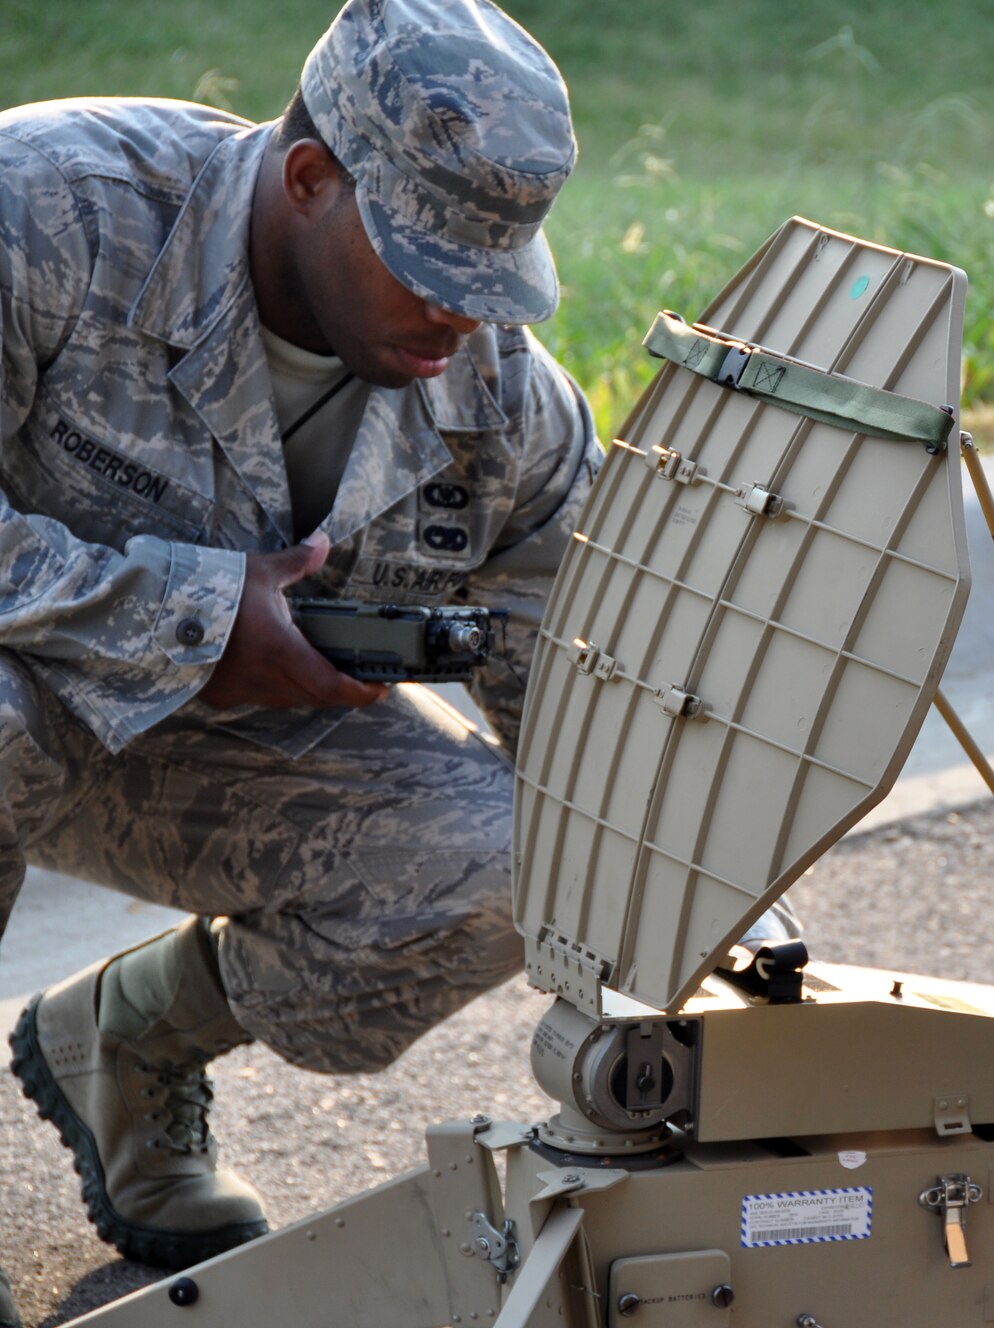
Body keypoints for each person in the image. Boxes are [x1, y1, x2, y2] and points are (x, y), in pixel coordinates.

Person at [0, 0, 598, 1277]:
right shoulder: (50, 209)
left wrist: (659, 895)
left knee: (522, 859)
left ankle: (129, 1037)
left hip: (207, 766)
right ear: (311, 177)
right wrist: (190, 620)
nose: (462, 316)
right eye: (428, 260)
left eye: (492, 276)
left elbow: (574, 705)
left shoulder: (504, 401)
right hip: (23, 697)